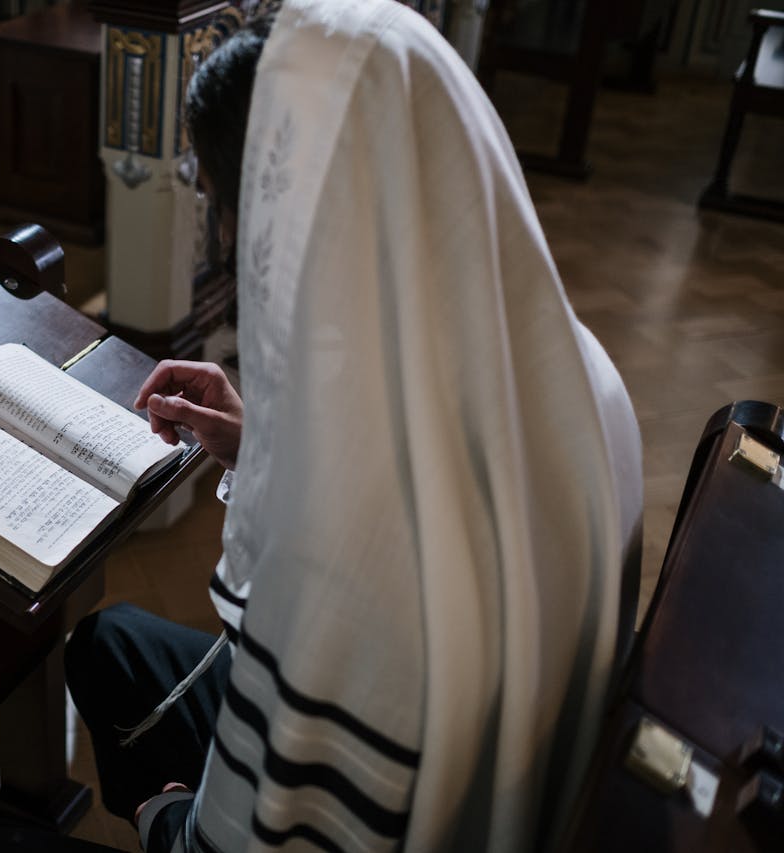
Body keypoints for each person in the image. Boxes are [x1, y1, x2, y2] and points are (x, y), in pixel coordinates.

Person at [64, 1, 644, 852]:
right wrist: (257, 439)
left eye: (229, 207)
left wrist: (164, 813)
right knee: (111, 642)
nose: (227, 236)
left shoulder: (344, 572)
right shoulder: (571, 366)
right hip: (496, 760)